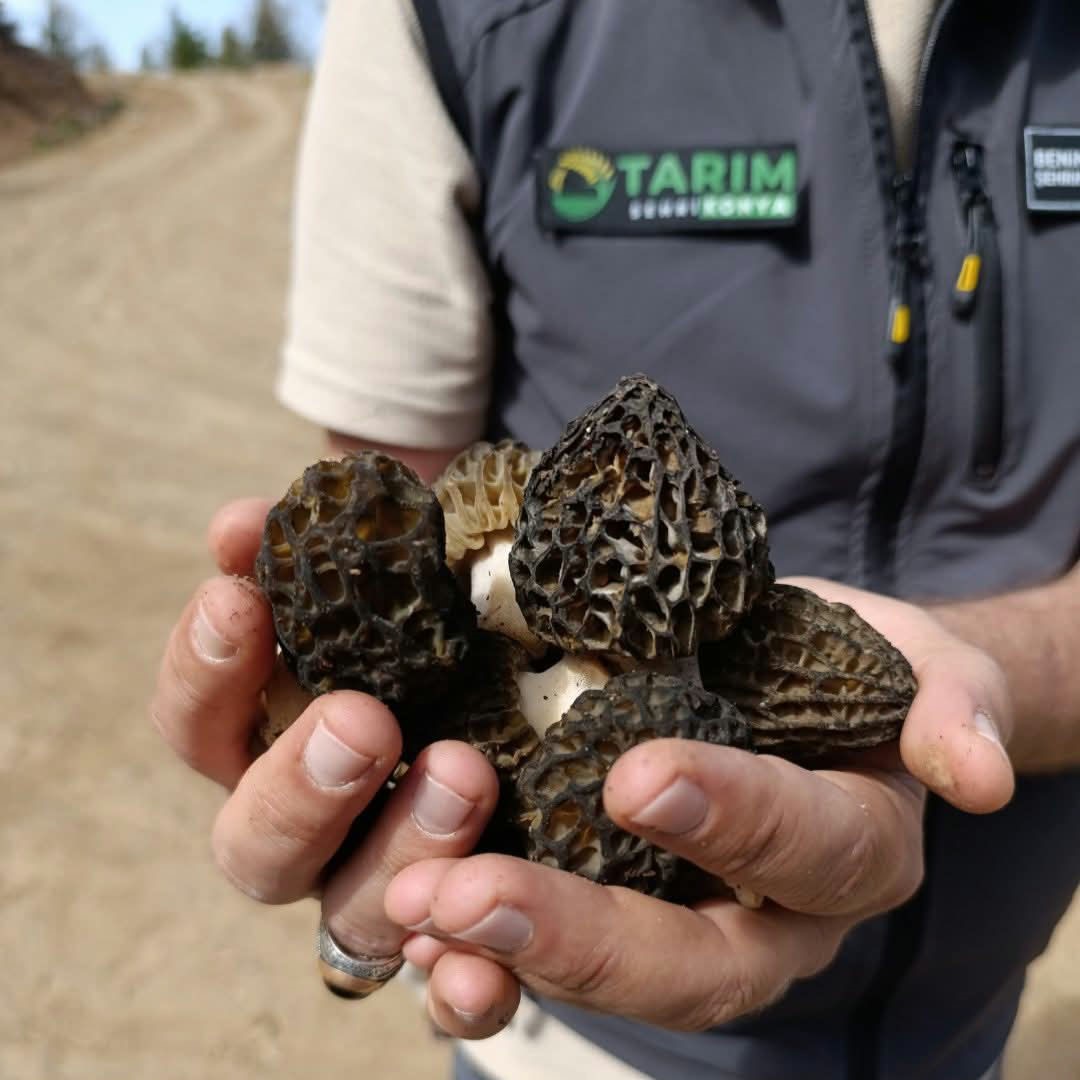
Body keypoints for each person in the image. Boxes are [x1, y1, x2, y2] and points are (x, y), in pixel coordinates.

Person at [150, 1, 1080, 1078]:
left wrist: (990, 677)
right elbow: (409, 518)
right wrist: (379, 827)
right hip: (572, 1044)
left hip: (968, 1022)